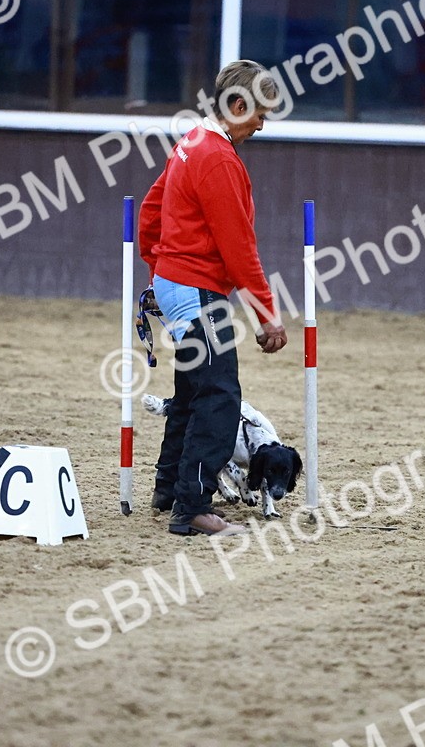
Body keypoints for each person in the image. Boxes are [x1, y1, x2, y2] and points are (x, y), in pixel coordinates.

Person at [138, 59, 287, 537]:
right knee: (220, 396)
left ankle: (168, 488)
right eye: (260, 113)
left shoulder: (189, 144)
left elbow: (150, 211)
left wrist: (157, 269)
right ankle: (192, 507)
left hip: (177, 281)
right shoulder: (220, 159)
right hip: (197, 287)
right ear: (237, 105)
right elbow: (239, 248)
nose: (263, 124)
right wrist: (267, 316)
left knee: (192, 390)